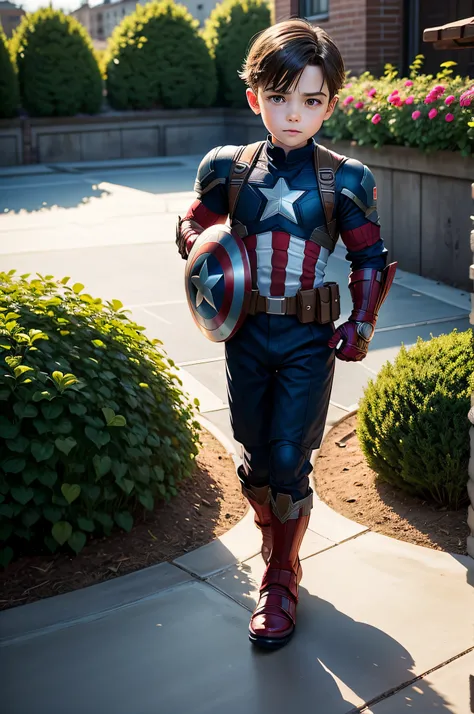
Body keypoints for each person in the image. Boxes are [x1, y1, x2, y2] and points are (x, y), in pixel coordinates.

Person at [176, 18, 397, 650]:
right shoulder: (228, 169)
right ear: (255, 98)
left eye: (309, 99)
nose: (292, 113)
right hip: (245, 334)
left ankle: (280, 573)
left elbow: (371, 258)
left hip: (307, 339)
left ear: (330, 102)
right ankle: (275, 542)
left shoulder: (344, 177)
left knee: (287, 458)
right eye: (278, 96)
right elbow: (191, 228)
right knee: (251, 461)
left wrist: (360, 322)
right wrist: (207, 254)